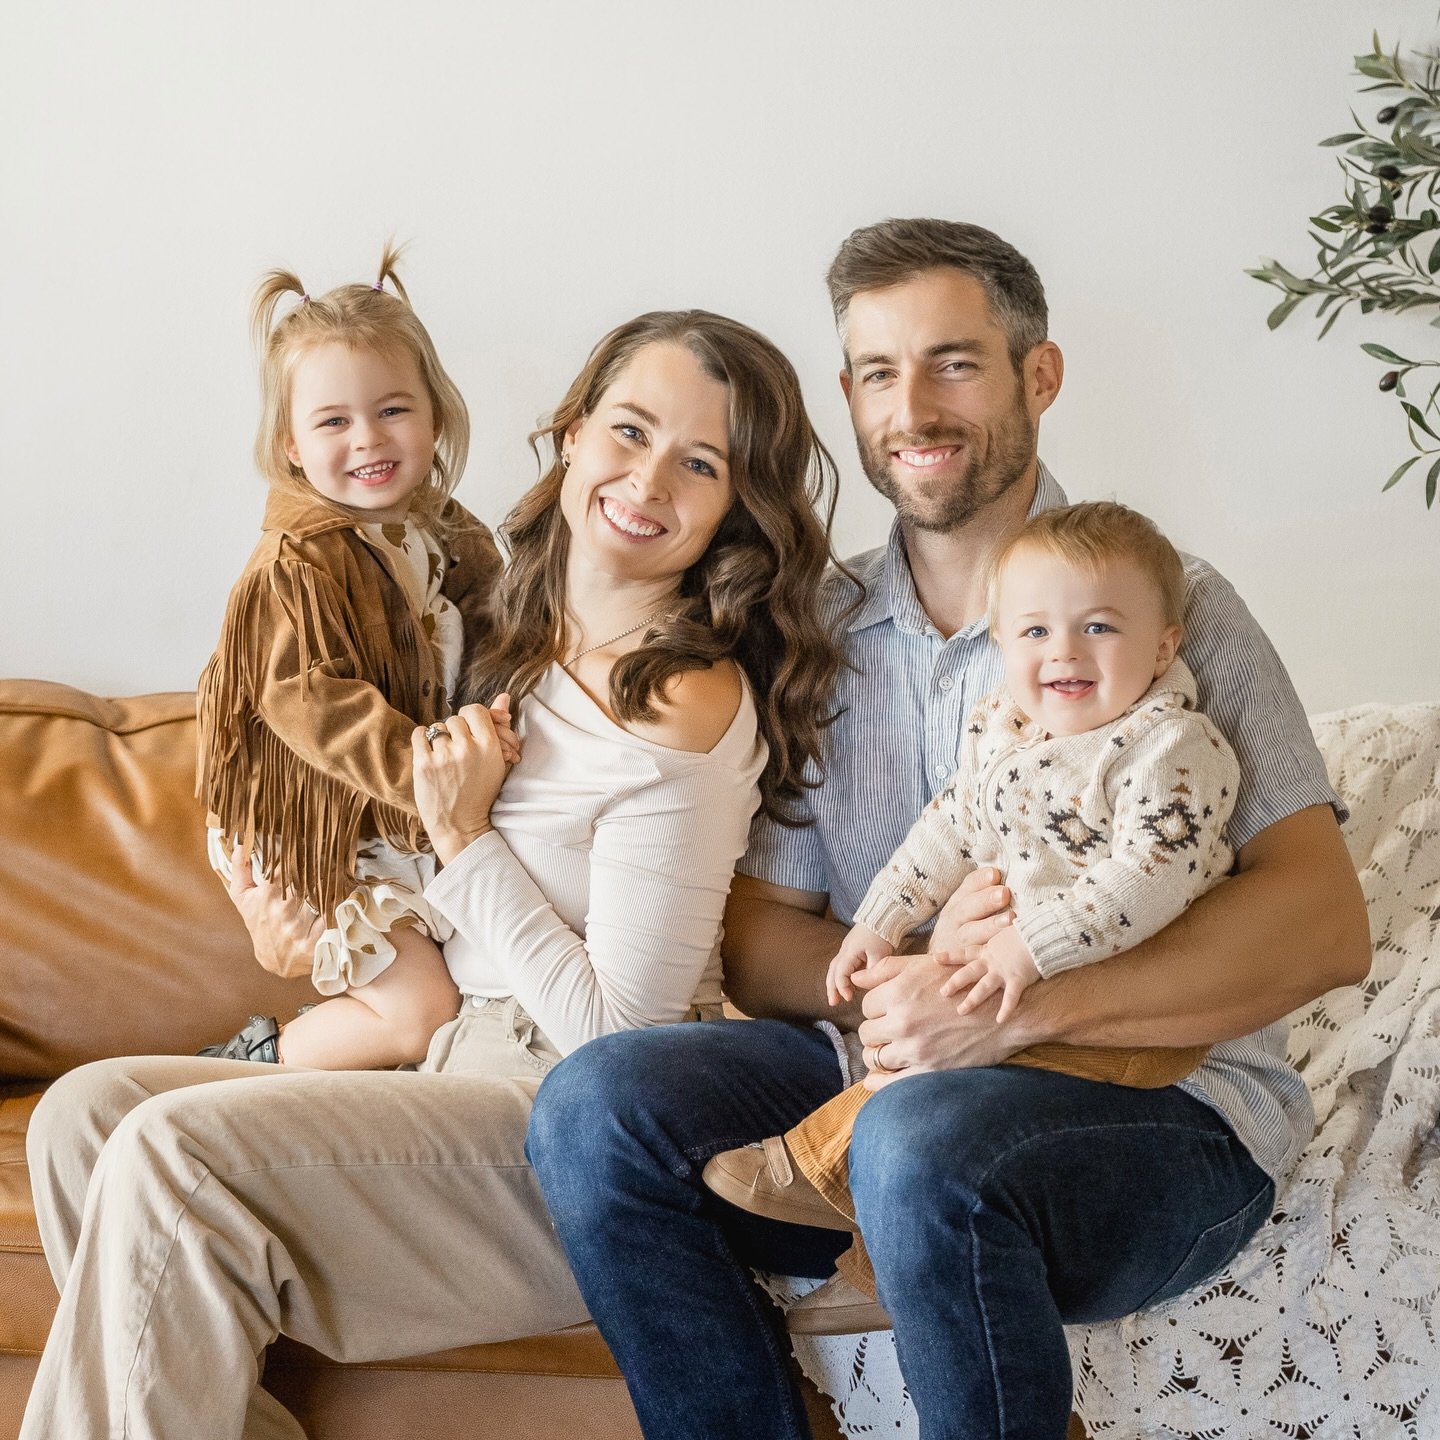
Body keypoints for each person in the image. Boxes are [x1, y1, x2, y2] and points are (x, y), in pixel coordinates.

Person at [525, 219, 1372, 1440]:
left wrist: (1009, 1003)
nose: (912, 406)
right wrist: (896, 984)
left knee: (918, 1137)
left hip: (1167, 1116)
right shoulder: (815, 627)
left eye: (955, 362)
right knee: (596, 1108)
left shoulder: (1171, 605)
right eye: (878, 372)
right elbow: (763, 923)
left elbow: (1322, 923)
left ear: (1040, 376)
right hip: (874, 1080)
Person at [19, 308, 846, 1440]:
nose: (648, 478)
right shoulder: (500, 636)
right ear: (570, 436)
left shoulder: (684, 702)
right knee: (84, 1116)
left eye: (700, 463)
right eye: (629, 429)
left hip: (561, 1128)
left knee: (171, 1156)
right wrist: (307, 937)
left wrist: (467, 843)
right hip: (446, 1072)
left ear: (736, 508)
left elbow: (622, 1039)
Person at [703, 500, 1239, 1330]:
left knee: (927, 1099)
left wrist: (1026, 949)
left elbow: (1149, 881)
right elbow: (948, 827)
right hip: (1013, 983)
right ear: (1001, 642)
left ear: (1164, 644)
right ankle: (874, 1270)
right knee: (925, 1064)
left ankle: (806, 1168)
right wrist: (876, 926)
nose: (1062, 650)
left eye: (1098, 628)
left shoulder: (1171, 748)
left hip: (1125, 1021)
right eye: (1032, 631)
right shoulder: (1007, 733)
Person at [196, 246, 514, 1071]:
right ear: (292, 444)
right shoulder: (294, 564)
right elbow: (314, 702)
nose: (368, 439)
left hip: (416, 813)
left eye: (393, 410)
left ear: (435, 416)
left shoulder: (452, 534)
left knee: (479, 979)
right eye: (333, 421)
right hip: (330, 817)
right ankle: (246, 1065)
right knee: (418, 1013)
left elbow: (507, 638)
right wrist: (429, 773)